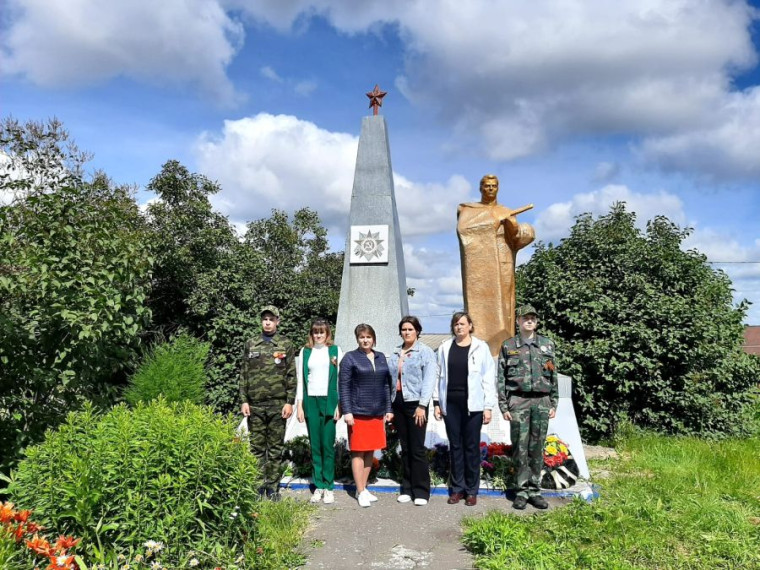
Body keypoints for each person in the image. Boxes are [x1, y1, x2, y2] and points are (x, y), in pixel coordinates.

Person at [457, 174, 535, 356]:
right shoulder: (469, 210)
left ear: (497, 188)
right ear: (481, 188)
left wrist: (509, 223)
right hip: (477, 265)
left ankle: (503, 348)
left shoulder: (505, 210)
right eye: (486, 185)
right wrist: (490, 221)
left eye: (493, 186)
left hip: (502, 262)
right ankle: (478, 343)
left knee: (504, 307)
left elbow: (515, 237)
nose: (490, 188)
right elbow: (464, 228)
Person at [433, 311, 497, 506]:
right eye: (456, 324)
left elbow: (488, 377)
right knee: (456, 447)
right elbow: (438, 376)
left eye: (462, 324)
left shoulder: (480, 347)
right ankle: (457, 489)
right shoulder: (444, 347)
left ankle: (471, 490)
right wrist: (437, 403)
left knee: (471, 447)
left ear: (470, 326)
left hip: (474, 406)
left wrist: (488, 407)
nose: (459, 327)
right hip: (451, 404)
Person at [498, 304, 558, 510]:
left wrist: (554, 402)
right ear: (518, 321)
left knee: (537, 447)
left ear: (537, 321)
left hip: (541, 402)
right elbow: (501, 379)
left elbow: (553, 376)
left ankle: (535, 490)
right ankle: (522, 491)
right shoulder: (508, 346)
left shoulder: (547, 345)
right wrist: (503, 405)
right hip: (518, 402)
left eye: (533, 318)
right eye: (525, 318)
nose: (529, 321)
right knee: (520, 447)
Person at [239, 305, 296, 499]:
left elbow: (291, 375)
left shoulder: (285, 344)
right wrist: (244, 400)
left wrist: (290, 402)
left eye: (271, 319)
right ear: (261, 321)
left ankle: (272, 487)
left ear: (278, 321)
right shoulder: (251, 343)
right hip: (255, 405)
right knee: (255, 448)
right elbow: (243, 373)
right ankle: (256, 486)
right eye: (265, 319)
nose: (268, 322)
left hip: (277, 405)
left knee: (275, 448)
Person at [339, 323, 394, 508]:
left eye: (368, 337)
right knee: (358, 451)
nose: (365, 340)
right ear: (357, 339)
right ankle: (360, 490)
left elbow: (386, 385)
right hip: (358, 413)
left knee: (371, 450)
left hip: (377, 413)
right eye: (361, 337)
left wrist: (388, 409)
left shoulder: (380, 358)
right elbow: (344, 387)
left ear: (373, 338)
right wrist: (347, 411)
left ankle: (363, 487)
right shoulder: (350, 358)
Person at [387, 316, 437, 506]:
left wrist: (422, 405)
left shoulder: (425, 352)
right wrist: (390, 407)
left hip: (416, 404)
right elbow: (390, 380)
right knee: (405, 448)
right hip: (398, 403)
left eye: (410, 329)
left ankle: (421, 491)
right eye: (404, 329)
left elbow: (429, 379)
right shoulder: (395, 352)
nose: (407, 332)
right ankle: (406, 488)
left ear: (417, 331)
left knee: (417, 449)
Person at [296, 318, 343, 505]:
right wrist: (299, 405)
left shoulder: (335, 351)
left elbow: (340, 379)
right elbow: (301, 379)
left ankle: (329, 487)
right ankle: (319, 486)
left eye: (322, 332)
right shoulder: (305, 351)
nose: (319, 335)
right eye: (316, 332)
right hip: (311, 401)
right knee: (315, 446)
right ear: (311, 334)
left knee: (327, 446)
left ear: (327, 333)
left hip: (329, 400)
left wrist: (339, 405)